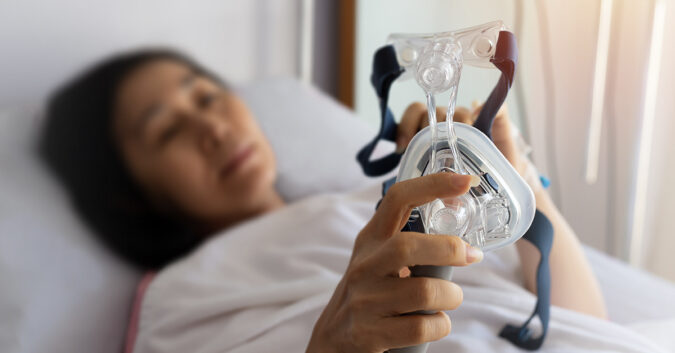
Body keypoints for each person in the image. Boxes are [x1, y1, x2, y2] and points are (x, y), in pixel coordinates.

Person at [40, 49, 606, 352]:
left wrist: (516, 178)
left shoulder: (376, 199)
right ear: (130, 196)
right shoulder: (178, 301)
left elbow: (588, 325)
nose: (210, 127)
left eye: (208, 96)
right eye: (167, 132)